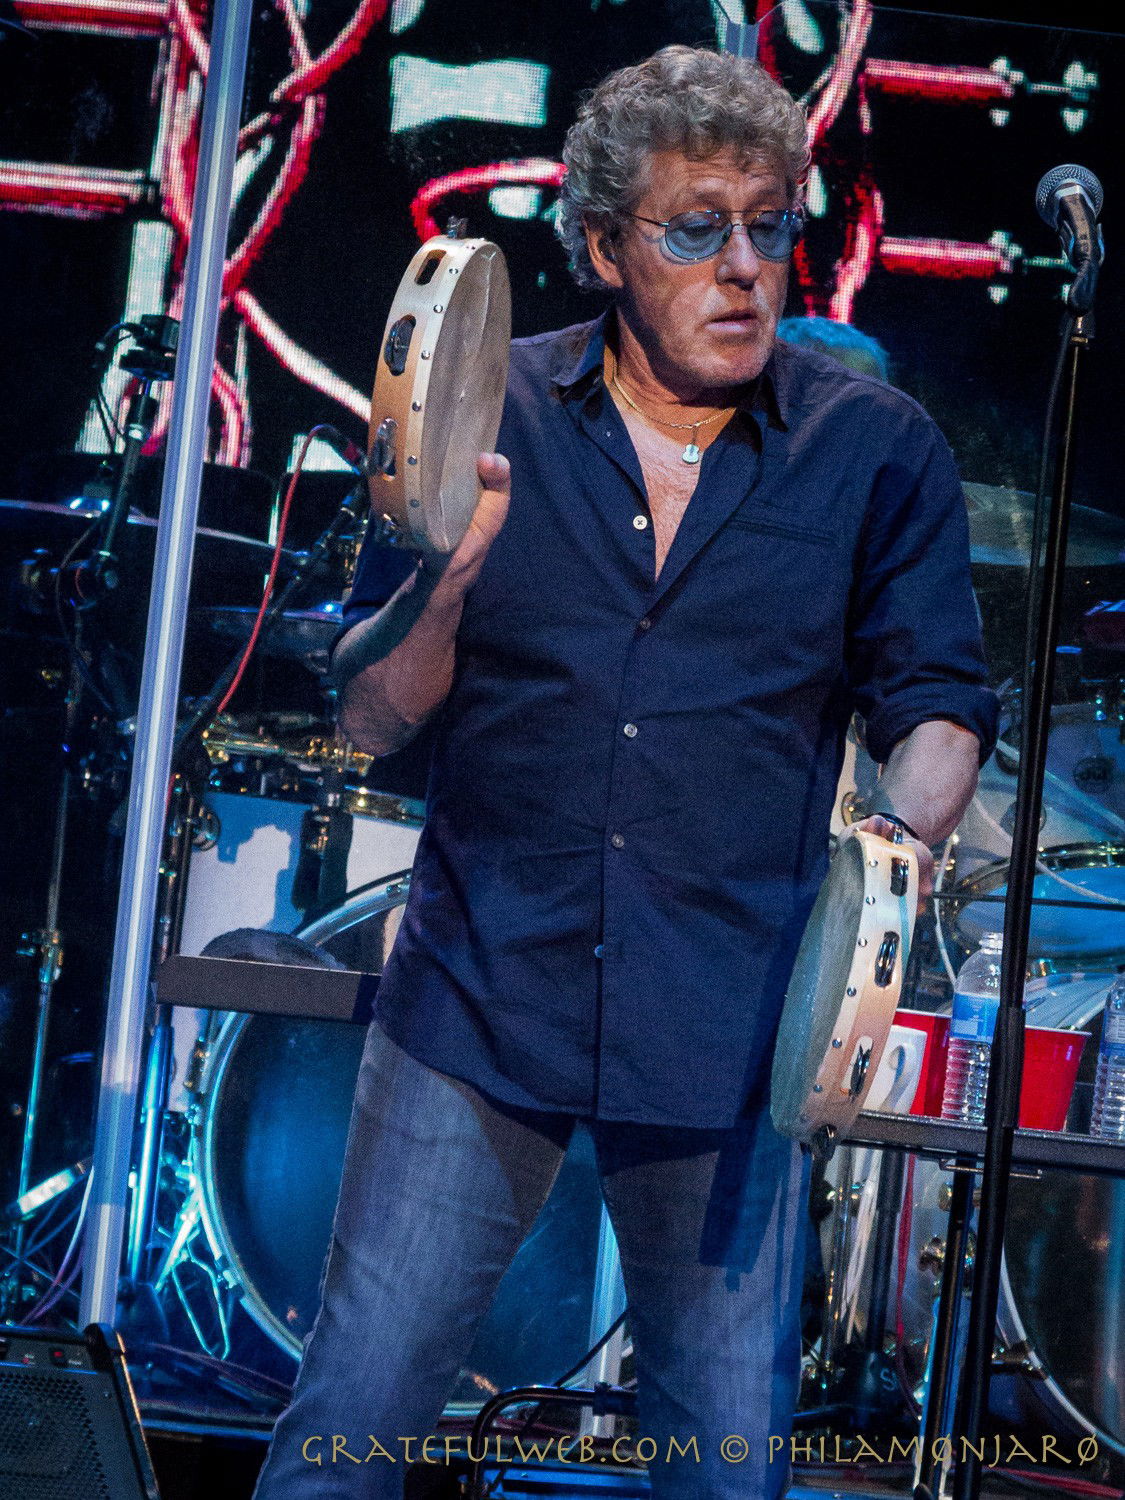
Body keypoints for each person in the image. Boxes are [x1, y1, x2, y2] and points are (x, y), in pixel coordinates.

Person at [252, 45, 997, 1499]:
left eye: (769, 227)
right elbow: (371, 720)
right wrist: (448, 582)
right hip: (482, 997)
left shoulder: (873, 451)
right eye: (695, 230)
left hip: (730, 1026)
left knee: (720, 1466)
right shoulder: (486, 412)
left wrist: (887, 882)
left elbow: (938, 711)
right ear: (602, 249)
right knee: (347, 1430)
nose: (745, 269)